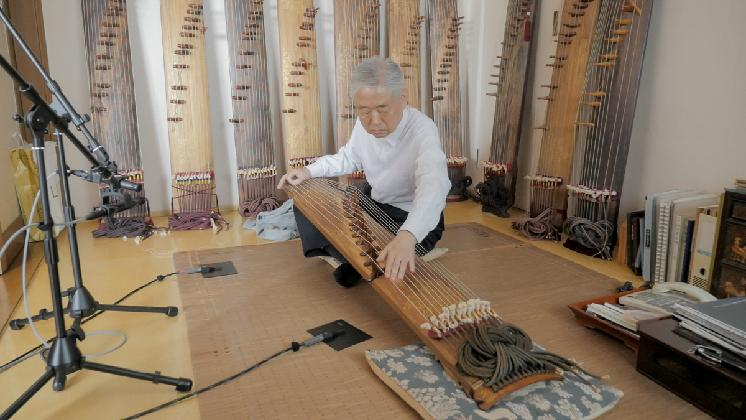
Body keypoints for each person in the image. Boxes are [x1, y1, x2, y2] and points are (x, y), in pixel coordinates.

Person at [278, 57, 450, 287]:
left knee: (384, 242)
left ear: (403, 99)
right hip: (374, 202)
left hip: (408, 217)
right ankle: (361, 260)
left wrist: (408, 236)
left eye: (382, 109)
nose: (374, 121)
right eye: (364, 111)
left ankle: (358, 259)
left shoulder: (423, 130)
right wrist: (308, 171)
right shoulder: (364, 123)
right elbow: (349, 157)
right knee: (304, 199)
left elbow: (434, 187)